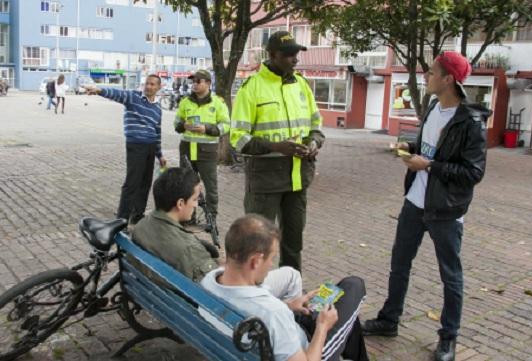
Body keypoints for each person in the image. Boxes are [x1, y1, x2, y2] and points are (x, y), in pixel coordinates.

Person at [361, 51, 489, 361]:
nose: (426, 77)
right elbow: (430, 149)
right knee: (399, 264)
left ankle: (448, 338)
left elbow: (474, 173)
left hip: (445, 210)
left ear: (448, 79)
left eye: (432, 72)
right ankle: (389, 320)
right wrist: (410, 150)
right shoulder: (433, 107)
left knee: (451, 275)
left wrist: (429, 165)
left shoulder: (470, 122)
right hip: (414, 203)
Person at [201, 214, 368, 361]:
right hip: (306, 351)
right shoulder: (273, 313)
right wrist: (322, 327)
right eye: (271, 258)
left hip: (257, 343)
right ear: (256, 261)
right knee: (354, 287)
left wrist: (288, 306)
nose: (271, 264)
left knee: (340, 305)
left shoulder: (209, 282)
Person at [229, 31, 325, 272]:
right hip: (265, 181)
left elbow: (316, 126)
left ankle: (292, 295)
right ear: (272, 55)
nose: (295, 59)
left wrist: (313, 144)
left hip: (297, 178)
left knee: (294, 244)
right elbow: (238, 138)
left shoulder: (302, 84)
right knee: (255, 243)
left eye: (296, 54)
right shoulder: (252, 87)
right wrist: (276, 147)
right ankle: (250, 295)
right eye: (288, 55)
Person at [132, 167, 302, 300]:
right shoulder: (188, 250)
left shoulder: (143, 225)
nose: (197, 204)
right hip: (219, 306)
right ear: (180, 203)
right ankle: (294, 328)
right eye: (195, 199)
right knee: (291, 275)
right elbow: (219, 285)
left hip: (166, 299)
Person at [86, 75, 167, 225]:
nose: (148, 86)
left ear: (158, 87)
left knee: (145, 183)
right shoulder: (133, 97)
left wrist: (159, 155)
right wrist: (98, 90)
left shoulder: (157, 108)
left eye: (152, 84)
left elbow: (157, 132)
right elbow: (117, 94)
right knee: (132, 183)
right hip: (136, 146)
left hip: (150, 147)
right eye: (147, 83)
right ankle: (122, 220)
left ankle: (137, 215)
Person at [174, 69, 229, 225]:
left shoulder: (218, 103)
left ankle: (211, 220)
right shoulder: (185, 102)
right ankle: (187, 218)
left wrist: (207, 129)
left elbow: (226, 126)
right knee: (186, 187)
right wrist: (183, 125)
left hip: (207, 152)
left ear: (208, 83)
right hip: (186, 150)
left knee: (211, 188)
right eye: (193, 81)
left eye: (198, 81)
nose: (194, 84)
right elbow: (176, 124)